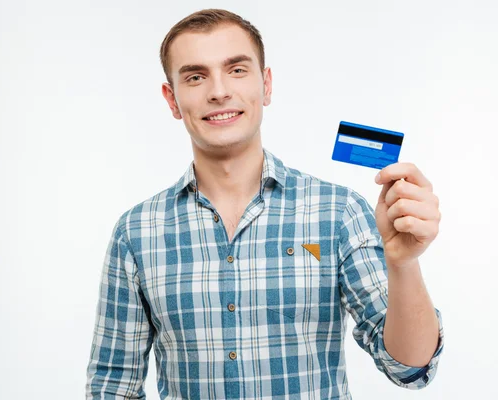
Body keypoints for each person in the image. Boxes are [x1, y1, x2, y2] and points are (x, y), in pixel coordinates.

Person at [85, 8, 444, 399]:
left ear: (266, 84)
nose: (219, 91)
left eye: (237, 70)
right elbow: (112, 388)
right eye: (195, 76)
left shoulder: (338, 213)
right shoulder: (136, 233)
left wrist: (403, 263)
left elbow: (409, 367)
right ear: (172, 99)